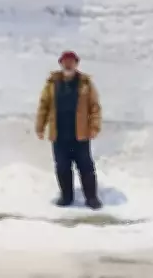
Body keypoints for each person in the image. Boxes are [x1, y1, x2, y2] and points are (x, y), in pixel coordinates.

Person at [35, 51, 103, 210]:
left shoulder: (85, 83)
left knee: (86, 167)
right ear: (61, 63)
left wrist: (94, 127)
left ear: (76, 64)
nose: (68, 64)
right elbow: (43, 106)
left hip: (80, 135)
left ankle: (92, 198)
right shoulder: (52, 84)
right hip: (59, 135)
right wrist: (40, 127)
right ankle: (66, 197)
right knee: (62, 167)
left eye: (71, 61)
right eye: (65, 61)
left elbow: (95, 107)